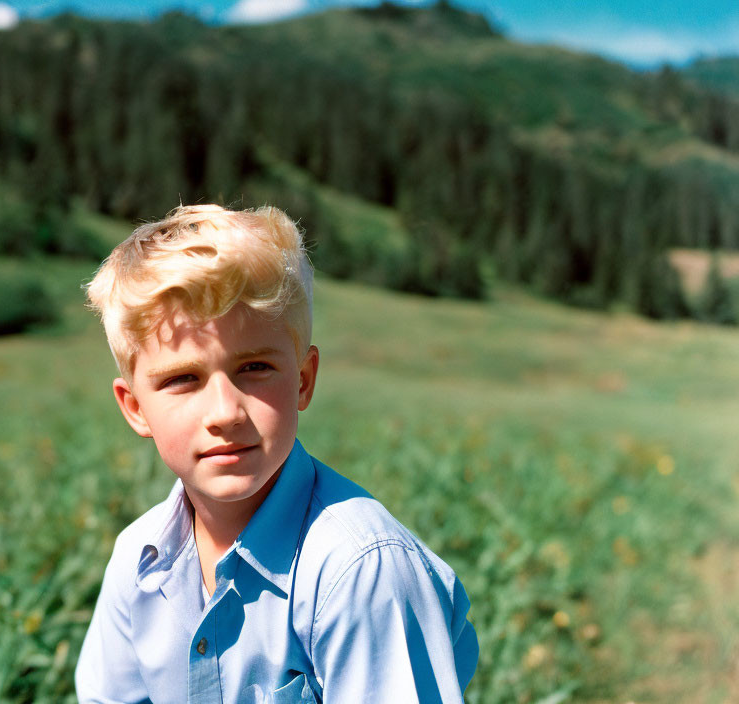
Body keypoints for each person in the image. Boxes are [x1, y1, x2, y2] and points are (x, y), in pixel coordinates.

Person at [76, 204, 478, 703]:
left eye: (255, 368)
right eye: (183, 379)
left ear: (304, 380)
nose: (224, 411)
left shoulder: (360, 569)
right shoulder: (137, 563)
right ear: (135, 408)